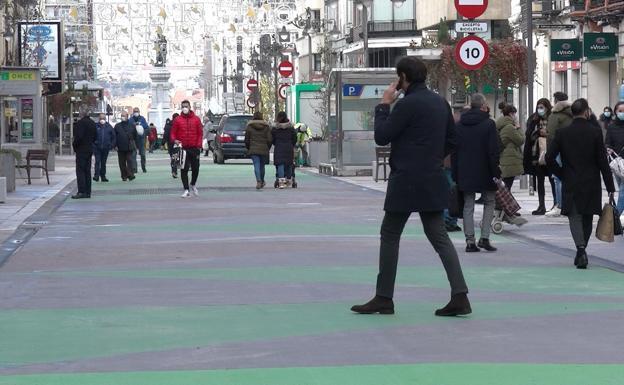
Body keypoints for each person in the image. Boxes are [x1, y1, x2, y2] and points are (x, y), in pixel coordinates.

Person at [351, 57, 470, 317]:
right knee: (439, 236)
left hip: (405, 178)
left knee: (390, 234)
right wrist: (434, 157)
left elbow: (383, 136)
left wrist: (384, 105)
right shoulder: (441, 103)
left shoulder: (406, 105)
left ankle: (384, 297)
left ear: (403, 77)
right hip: (432, 176)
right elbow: (453, 140)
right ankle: (460, 295)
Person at [546, 98, 615, 269]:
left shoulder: (563, 133)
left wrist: (561, 173)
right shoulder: (595, 132)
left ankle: (580, 249)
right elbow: (602, 161)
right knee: (587, 216)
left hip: (571, 180)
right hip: (591, 181)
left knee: (574, 216)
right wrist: (610, 187)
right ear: (586, 112)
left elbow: (548, 158)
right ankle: (582, 249)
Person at [453, 94, 500, 252]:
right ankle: (484, 238)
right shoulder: (489, 124)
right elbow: (493, 151)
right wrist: (496, 172)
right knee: (489, 202)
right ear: (483, 106)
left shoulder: (459, 125)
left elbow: (455, 151)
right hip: (485, 169)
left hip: (465, 170)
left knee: (468, 204)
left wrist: (456, 173)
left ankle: (470, 241)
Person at [524, 98, 556, 215]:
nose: (540, 109)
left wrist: (546, 134)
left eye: (542, 107)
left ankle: (556, 204)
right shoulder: (533, 119)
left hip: (550, 154)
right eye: (538, 107)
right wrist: (536, 133)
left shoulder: (553, 118)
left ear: (547, 107)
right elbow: (528, 135)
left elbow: (556, 134)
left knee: (553, 180)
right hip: (536, 154)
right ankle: (541, 205)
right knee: (540, 180)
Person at [545, 92, 573, 217]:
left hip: (559, 149)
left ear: (556, 101)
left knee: (557, 178)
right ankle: (569, 203)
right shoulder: (573, 112)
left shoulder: (555, 114)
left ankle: (560, 205)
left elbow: (550, 133)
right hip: (572, 149)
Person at [171, 100, 203, 198]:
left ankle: (192, 184)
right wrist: (174, 140)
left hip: (194, 148)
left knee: (196, 168)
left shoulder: (196, 119)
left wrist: (198, 146)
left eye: (186, 106)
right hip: (182, 148)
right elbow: (172, 133)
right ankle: (186, 189)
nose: (184, 108)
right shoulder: (177, 120)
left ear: (189, 107)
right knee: (183, 169)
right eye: (183, 106)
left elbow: (200, 133)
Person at [496, 104, 524, 192]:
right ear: (511, 114)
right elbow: (521, 140)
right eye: (514, 114)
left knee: (505, 186)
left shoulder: (501, 124)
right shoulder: (509, 127)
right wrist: (519, 128)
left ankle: (502, 205)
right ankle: (503, 205)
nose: (515, 116)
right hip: (509, 160)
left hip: (504, 158)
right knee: (507, 187)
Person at [72, 105, 96, 199]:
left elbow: (78, 137)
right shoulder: (92, 123)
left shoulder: (81, 123)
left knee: (80, 170)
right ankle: (88, 191)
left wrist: (74, 146)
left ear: (81, 113)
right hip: (89, 149)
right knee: (87, 171)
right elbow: (95, 137)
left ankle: (81, 191)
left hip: (81, 150)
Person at [244, 111, 272, 189]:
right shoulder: (266, 127)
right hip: (264, 148)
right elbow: (269, 139)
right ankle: (262, 181)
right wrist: (267, 147)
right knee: (262, 166)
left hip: (253, 148)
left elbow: (247, 139)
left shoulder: (249, 126)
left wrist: (248, 147)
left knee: (256, 164)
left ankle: (258, 181)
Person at [605, 102, 624, 215]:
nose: (622, 113)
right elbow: (607, 142)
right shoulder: (612, 127)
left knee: (622, 191)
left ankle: (615, 216)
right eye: (620, 111)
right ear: (615, 112)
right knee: (621, 189)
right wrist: (608, 149)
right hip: (617, 164)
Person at [272, 111, 297, 189]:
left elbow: (272, 138)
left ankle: (281, 182)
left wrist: (276, 143)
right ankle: (289, 180)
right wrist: (291, 144)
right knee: (289, 164)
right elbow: (294, 138)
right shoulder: (291, 128)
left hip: (279, 147)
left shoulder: (275, 128)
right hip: (289, 147)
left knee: (280, 164)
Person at [113, 111, 137, 182]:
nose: (122, 117)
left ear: (127, 116)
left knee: (130, 161)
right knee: (122, 163)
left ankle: (130, 175)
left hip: (129, 146)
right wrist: (115, 145)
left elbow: (135, 135)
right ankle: (124, 176)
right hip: (120, 147)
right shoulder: (117, 126)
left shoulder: (132, 125)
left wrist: (133, 142)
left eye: (124, 115)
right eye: (122, 115)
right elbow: (114, 136)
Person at [93, 113, 115, 182]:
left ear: (105, 119)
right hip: (97, 148)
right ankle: (96, 175)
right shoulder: (95, 126)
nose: (102, 120)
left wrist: (111, 145)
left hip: (106, 148)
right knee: (97, 162)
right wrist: (93, 145)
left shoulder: (109, 127)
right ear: (99, 119)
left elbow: (114, 137)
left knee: (103, 163)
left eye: (103, 118)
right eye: (101, 118)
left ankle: (103, 176)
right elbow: (91, 136)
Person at [130, 107, 149, 173]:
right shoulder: (131, 119)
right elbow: (128, 128)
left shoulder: (142, 119)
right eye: (135, 111)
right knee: (133, 155)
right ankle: (134, 169)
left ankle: (143, 167)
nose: (136, 112)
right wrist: (133, 125)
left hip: (141, 139)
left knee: (143, 154)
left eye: (137, 111)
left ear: (139, 112)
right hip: (133, 140)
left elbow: (147, 127)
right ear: (133, 112)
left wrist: (141, 126)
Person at [163, 114, 179, 178]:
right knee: (178, 157)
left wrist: (163, 143)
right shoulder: (179, 124)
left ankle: (174, 171)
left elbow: (165, 135)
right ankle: (175, 171)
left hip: (171, 143)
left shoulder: (168, 125)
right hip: (178, 143)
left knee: (173, 158)